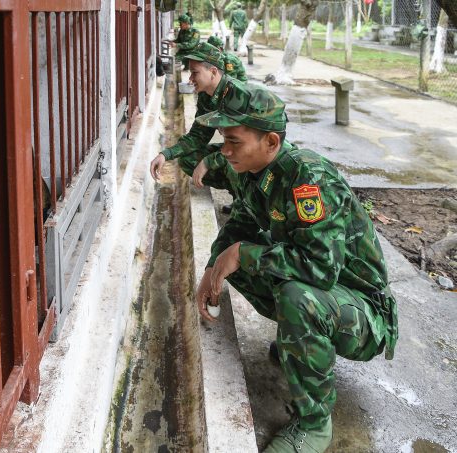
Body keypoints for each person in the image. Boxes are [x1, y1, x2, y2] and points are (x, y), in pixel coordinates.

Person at [193, 83, 398, 453]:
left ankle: (315, 423)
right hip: (331, 293)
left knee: (294, 294)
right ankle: (298, 345)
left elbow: (320, 270)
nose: (224, 150)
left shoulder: (308, 178)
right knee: (231, 261)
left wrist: (243, 253)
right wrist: (212, 270)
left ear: (271, 141)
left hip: (365, 313)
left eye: (234, 141)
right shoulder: (256, 174)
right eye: (223, 139)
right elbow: (239, 225)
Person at [149, 43, 237, 195]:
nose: (190, 80)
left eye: (195, 73)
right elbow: (198, 136)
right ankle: (237, 192)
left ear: (213, 72)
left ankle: (245, 202)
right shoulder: (206, 95)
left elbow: (246, 148)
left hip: (254, 157)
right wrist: (166, 154)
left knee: (235, 165)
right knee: (187, 160)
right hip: (234, 150)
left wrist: (207, 162)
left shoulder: (235, 96)